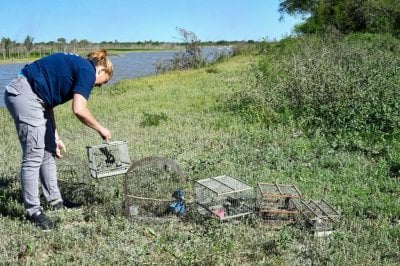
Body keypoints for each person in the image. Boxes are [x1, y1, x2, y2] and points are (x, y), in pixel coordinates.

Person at [4, 49, 113, 230]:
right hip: (25, 95)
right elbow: (79, 109)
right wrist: (101, 129)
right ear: (102, 70)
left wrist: (55, 136)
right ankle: (33, 212)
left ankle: (55, 202)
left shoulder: (80, 66)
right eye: (104, 82)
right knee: (33, 156)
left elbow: (48, 102)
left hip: (34, 96)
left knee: (48, 151)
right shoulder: (88, 71)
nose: (100, 86)